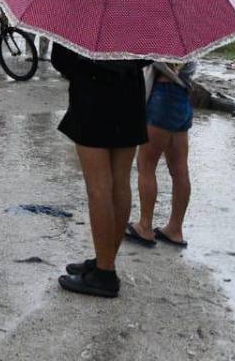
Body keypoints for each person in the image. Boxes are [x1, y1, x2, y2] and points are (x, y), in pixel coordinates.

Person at [51, 43, 149, 298]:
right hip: (130, 90)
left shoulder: (80, 16)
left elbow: (61, 58)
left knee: (99, 187)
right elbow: (147, 55)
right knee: (120, 182)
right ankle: (106, 259)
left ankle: (105, 273)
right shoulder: (142, 17)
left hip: (92, 91)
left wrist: (82, 69)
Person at [131, 61, 196, 250]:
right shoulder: (188, 47)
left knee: (146, 163)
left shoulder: (166, 45)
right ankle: (175, 229)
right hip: (183, 94)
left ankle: (145, 226)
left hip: (163, 94)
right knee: (180, 168)